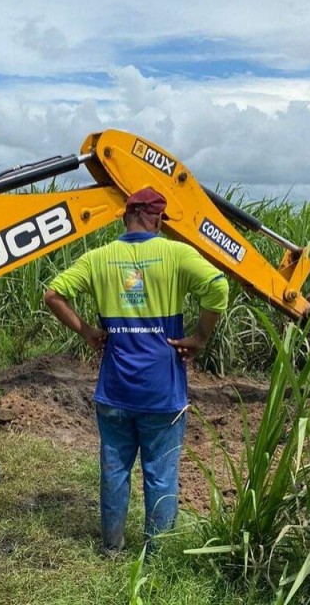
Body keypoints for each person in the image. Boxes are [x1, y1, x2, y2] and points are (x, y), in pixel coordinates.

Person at [43, 187, 228, 554]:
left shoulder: (99, 258)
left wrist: (87, 332)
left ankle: (112, 549)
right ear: (156, 218)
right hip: (162, 393)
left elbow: (53, 294)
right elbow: (217, 287)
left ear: (127, 215)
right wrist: (201, 337)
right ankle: (157, 558)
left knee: (115, 472)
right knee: (161, 477)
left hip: (114, 391)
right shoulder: (175, 253)